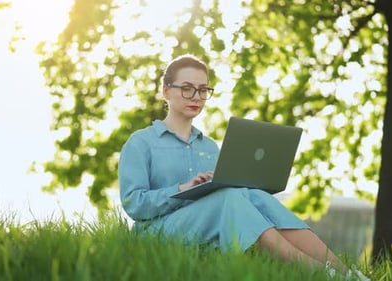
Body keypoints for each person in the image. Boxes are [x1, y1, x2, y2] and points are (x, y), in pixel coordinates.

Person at [118, 54, 370, 280]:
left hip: (209, 228)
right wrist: (184, 187)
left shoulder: (210, 147)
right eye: (187, 89)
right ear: (166, 91)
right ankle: (322, 274)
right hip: (157, 233)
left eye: (203, 89)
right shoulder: (141, 142)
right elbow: (134, 204)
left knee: (252, 194)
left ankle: (351, 275)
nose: (196, 97)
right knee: (228, 197)